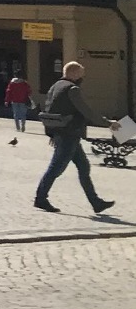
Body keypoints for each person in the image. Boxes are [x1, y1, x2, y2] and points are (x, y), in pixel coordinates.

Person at [34, 61, 119, 214]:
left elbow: (49, 110)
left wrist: (52, 132)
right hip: (69, 134)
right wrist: (108, 123)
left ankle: (96, 202)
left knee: (83, 167)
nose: (82, 77)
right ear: (73, 73)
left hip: (64, 133)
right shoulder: (72, 89)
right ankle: (40, 198)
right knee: (56, 168)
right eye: (81, 74)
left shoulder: (55, 86)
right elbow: (86, 111)